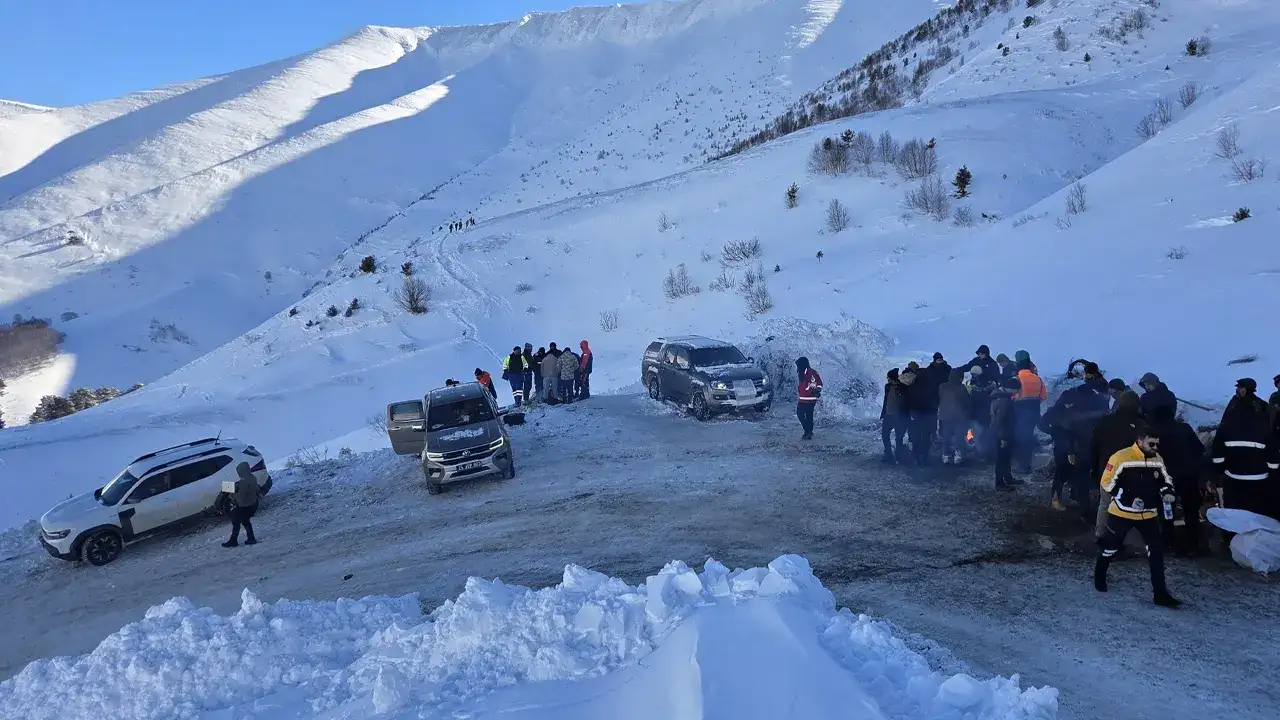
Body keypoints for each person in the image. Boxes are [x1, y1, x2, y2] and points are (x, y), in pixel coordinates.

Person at [1095, 426, 1181, 608]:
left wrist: (1168, 492)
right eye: (1152, 444)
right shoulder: (1120, 457)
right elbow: (1107, 482)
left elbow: (1166, 480)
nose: (1155, 448)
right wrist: (1126, 499)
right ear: (1140, 441)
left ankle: (1160, 594)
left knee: (1156, 552)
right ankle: (1100, 575)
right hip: (1121, 513)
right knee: (1110, 547)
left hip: (1149, 515)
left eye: (1157, 444)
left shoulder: (1157, 459)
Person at [1209, 378, 1278, 520]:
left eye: (1239, 387)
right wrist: (1273, 471)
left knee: (1236, 517)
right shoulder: (1263, 407)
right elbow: (1271, 441)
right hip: (1259, 476)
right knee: (1260, 515)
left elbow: (1219, 442)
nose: (1237, 390)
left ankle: (1233, 540)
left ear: (1244, 389)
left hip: (1234, 477)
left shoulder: (1233, 408)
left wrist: (1219, 470)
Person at [1147, 404, 1207, 556]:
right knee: (1190, 510)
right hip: (1189, 475)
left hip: (1166, 478)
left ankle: (1168, 542)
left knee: (1167, 511)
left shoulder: (1153, 434)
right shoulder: (1185, 428)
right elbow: (1200, 450)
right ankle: (1193, 544)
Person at [1090, 390, 1143, 537]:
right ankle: (1121, 540)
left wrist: (1094, 469)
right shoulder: (1141, 426)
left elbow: (1094, 447)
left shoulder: (1104, 422)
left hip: (1107, 470)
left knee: (1105, 504)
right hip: (1131, 474)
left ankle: (1101, 535)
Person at [1011, 358, 1047, 473]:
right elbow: (1043, 397)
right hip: (1034, 415)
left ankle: (1021, 466)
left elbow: (1012, 396)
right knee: (1028, 438)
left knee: (1020, 439)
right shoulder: (1038, 379)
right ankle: (1027, 464)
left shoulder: (1016, 379)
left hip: (1019, 415)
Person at [990, 377, 1022, 490]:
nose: (1018, 392)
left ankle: (1007, 477)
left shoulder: (1002, 397)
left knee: (1006, 457)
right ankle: (999, 483)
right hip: (1002, 434)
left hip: (1005, 433)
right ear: (1011, 389)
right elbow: (1001, 420)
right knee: (1002, 458)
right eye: (1017, 390)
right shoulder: (1003, 400)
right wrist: (1003, 437)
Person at [937, 367, 971, 465]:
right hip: (958, 416)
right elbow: (967, 402)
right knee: (959, 437)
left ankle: (946, 455)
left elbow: (940, 399)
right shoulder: (961, 388)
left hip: (945, 416)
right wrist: (967, 413)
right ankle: (958, 454)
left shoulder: (942, 387)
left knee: (946, 437)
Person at [222, 462, 260, 548]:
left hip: (244, 506)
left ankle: (233, 541)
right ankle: (251, 538)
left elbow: (240, 497)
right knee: (245, 521)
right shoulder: (252, 477)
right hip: (252, 504)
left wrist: (231, 496)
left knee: (236, 522)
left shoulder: (244, 482)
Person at [967, 365, 997, 461]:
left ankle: (981, 454)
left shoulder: (972, 387)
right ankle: (986, 454)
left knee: (978, 436)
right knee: (984, 435)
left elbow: (970, 400)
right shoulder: (992, 386)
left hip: (977, 415)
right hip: (987, 415)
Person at [880, 369, 907, 462]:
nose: (887, 379)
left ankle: (899, 455)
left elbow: (905, 402)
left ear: (892, 378)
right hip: (888, 415)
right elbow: (885, 400)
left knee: (899, 437)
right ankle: (888, 454)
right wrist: (883, 413)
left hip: (899, 416)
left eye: (888, 377)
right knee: (884, 435)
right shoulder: (887, 386)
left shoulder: (903, 387)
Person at [796, 356, 823, 440]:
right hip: (803, 398)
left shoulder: (810, 372)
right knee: (804, 415)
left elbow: (817, 383)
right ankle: (808, 431)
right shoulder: (802, 372)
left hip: (809, 399)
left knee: (805, 415)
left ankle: (808, 432)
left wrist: (815, 391)